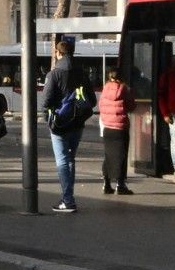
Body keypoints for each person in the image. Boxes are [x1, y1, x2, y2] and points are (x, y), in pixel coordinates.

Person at [40, 38, 88, 212]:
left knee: (62, 161)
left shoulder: (54, 74)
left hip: (59, 122)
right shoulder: (81, 72)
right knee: (70, 159)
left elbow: (45, 101)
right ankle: (69, 197)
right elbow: (91, 99)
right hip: (77, 122)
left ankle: (67, 200)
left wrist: (49, 119)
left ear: (58, 53)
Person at [97, 66, 136, 195]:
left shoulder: (105, 88)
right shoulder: (125, 89)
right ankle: (120, 184)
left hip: (107, 127)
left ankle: (106, 184)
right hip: (120, 128)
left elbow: (101, 106)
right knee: (121, 156)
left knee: (109, 155)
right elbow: (131, 106)